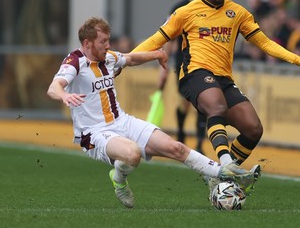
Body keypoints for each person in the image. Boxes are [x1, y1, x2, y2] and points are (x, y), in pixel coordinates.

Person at [131, 0, 300, 195]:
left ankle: (219, 177)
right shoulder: (186, 12)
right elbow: (156, 40)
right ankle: (225, 164)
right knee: (216, 106)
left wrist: (298, 60)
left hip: (223, 79)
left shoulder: (237, 13)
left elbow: (265, 43)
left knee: (253, 129)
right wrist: (125, 59)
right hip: (194, 74)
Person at [47, 17, 257, 208]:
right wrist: (64, 95)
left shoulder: (108, 58)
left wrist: (157, 54)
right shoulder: (74, 62)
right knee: (132, 154)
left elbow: (130, 59)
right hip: (93, 133)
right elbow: (54, 87)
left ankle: (224, 173)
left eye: (108, 40)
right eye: (103, 41)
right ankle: (119, 179)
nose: (108, 45)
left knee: (176, 148)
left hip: (122, 121)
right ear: (87, 44)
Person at [160, 0, 207, 154]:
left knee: (203, 104)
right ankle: (180, 134)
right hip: (183, 63)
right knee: (184, 102)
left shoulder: (209, 6)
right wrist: (164, 61)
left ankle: (200, 143)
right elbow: (169, 37)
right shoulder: (179, 7)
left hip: (204, 62)